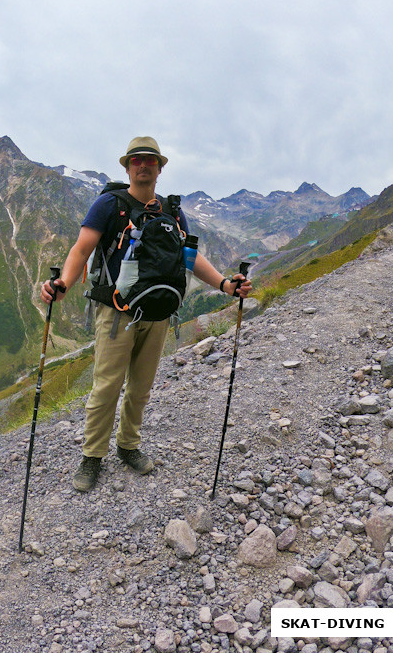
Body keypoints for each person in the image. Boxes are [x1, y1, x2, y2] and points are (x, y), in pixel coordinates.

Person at [40, 136, 252, 492]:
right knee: (107, 387)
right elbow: (82, 249)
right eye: (137, 160)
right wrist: (62, 283)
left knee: (140, 389)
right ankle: (92, 456)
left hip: (158, 314)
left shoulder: (172, 212)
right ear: (127, 166)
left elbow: (190, 257)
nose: (143, 165)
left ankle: (128, 446)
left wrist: (224, 285)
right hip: (117, 313)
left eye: (150, 161)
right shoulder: (109, 204)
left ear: (159, 168)